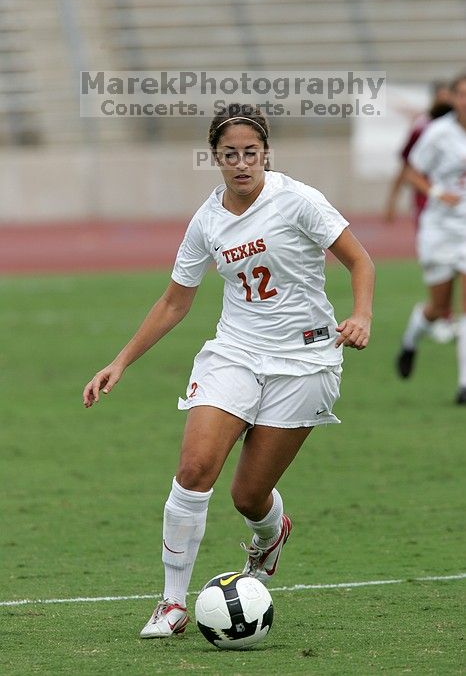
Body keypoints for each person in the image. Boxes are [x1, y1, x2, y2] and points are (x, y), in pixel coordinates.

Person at [83, 104, 375, 639]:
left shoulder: (299, 201)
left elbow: (361, 261)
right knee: (194, 469)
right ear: (214, 158)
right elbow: (175, 302)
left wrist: (360, 315)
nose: (241, 163)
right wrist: (119, 362)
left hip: (305, 360)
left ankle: (270, 534)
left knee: (248, 496)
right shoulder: (208, 219)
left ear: (265, 153)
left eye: (251, 153)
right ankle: (171, 604)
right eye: (229, 154)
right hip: (235, 352)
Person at [396, 74, 466, 404]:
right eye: (462, 94)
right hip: (439, 229)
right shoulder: (438, 133)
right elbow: (410, 171)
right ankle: (411, 341)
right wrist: (438, 192)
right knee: (438, 309)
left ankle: (464, 384)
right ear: (452, 98)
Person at [385, 82, 455, 345]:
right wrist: (391, 201)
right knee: (442, 268)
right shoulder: (425, 128)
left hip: (460, 215)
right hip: (432, 211)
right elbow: (408, 166)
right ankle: (440, 316)